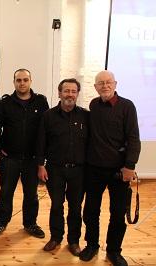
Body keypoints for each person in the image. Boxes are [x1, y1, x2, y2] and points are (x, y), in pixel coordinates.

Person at [79, 70, 141, 266]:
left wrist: (129, 166)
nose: (105, 86)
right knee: (90, 211)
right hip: (94, 169)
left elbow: (133, 138)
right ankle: (92, 245)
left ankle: (114, 251)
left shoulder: (127, 106)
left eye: (108, 82)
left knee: (117, 212)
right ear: (95, 87)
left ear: (115, 84)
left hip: (119, 171)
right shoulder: (93, 105)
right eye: (100, 83)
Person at [0, 68, 49, 239]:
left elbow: (44, 131)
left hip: (32, 159)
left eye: (25, 80)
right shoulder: (5, 103)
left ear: (31, 81)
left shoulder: (41, 102)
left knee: (31, 193)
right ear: (14, 82)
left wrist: (42, 158)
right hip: (10, 157)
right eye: (18, 80)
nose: (22, 83)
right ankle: (1, 221)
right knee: (6, 191)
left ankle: (30, 223)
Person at [36, 78, 88, 256]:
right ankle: (56, 237)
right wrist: (40, 166)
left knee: (75, 207)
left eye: (73, 91)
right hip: (55, 169)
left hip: (79, 171)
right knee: (57, 205)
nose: (70, 95)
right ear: (59, 93)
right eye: (66, 91)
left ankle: (74, 241)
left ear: (77, 94)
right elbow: (41, 143)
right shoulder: (48, 116)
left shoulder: (86, 116)